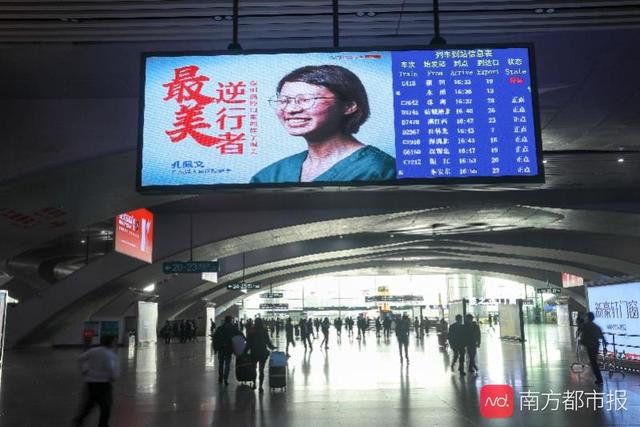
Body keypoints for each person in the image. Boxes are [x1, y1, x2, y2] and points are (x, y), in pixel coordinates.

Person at [251, 65, 396, 184]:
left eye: (306, 100)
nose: (290, 109)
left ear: (348, 106)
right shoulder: (271, 175)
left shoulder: (379, 170)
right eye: (284, 101)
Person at [73, 335, 119, 427]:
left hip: (90, 382)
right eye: (114, 342)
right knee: (106, 406)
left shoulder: (93, 350)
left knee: (89, 404)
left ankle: (78, 421)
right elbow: (111, 367)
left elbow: (80, 359)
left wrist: (84, 369)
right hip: (104, 384)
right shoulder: (109, 353)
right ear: (111, 343)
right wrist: (114, 376)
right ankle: (103, 425)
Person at [246, 318, 276, 392]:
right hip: (263, 352)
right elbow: (267, 341)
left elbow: (248, 343)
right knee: (261, 370)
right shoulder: (264, 331)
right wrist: (272, 347)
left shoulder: (251, 331)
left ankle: (254, 384)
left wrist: (244, 351)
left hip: (254, 353)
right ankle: (260, 387)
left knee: (253, 369)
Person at [580, 312, 607, 384]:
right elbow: (601, 335)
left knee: (593, 362)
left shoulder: (586, 325)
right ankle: (599, 378)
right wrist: (604, 342)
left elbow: (583, 334)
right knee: (594, 362)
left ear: (588, 318)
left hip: (590, 346)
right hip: (596, 345)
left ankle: (599, 379)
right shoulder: (596, 326)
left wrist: (582, 342)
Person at [213, 316, 238, 386]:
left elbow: (215, 338)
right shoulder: (233, 328)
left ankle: (220, 377)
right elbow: (239, 335)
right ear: (230, 320)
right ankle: (225, 379)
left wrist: (215, 348)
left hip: (221, 348)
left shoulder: (220, 328)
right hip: (228, 349)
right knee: (227, 364)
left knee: (221, 364)